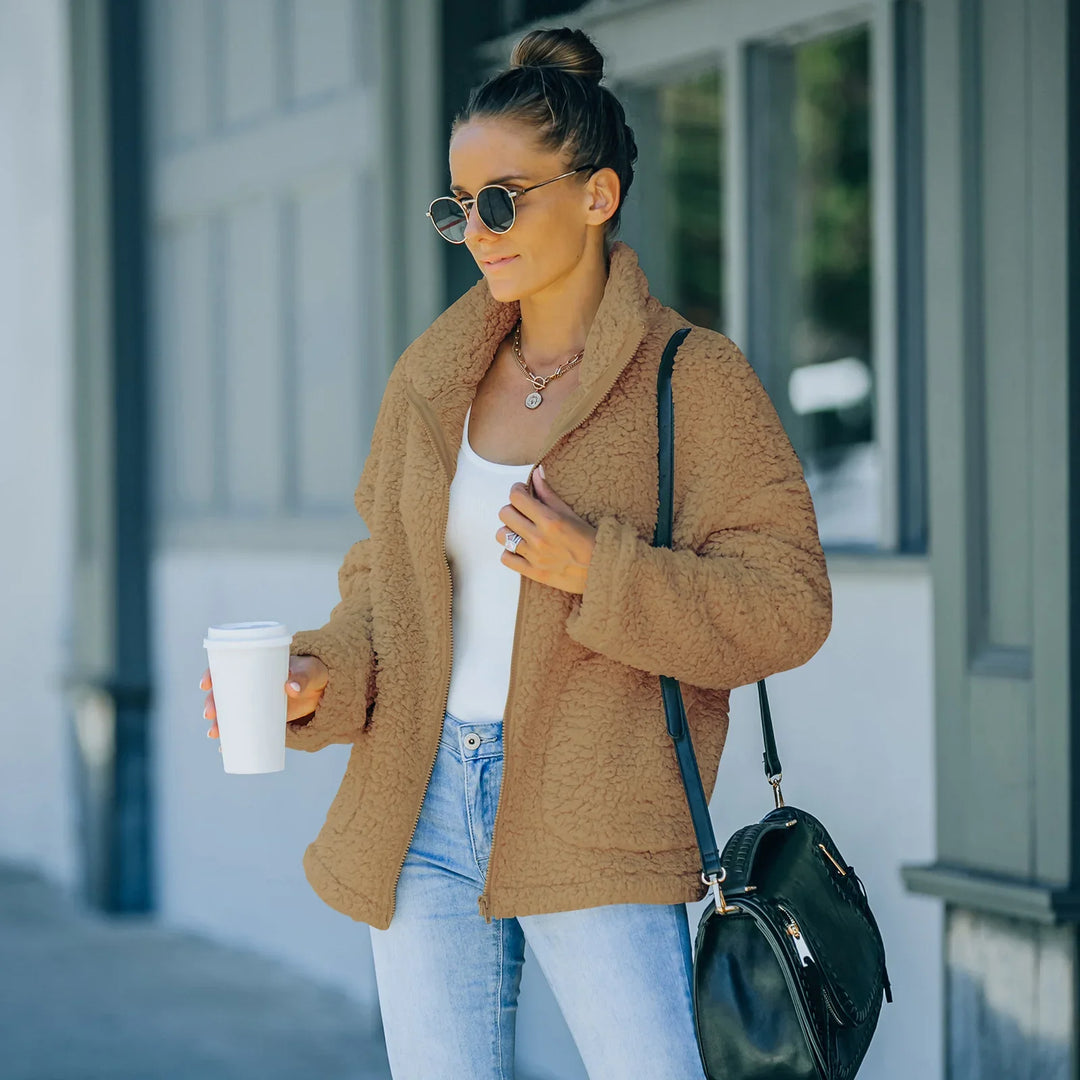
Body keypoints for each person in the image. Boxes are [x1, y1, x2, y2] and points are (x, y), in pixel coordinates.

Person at [199, 25, 832, 1080]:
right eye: (460, 207)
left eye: (504, 199)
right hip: (423, 798)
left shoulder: (695, 380)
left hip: (596, 806)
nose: (479, 229)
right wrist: (320, 674)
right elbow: (385, 585)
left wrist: (605, 571)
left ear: (597, 194)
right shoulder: (431, 381)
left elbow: (790, 603)